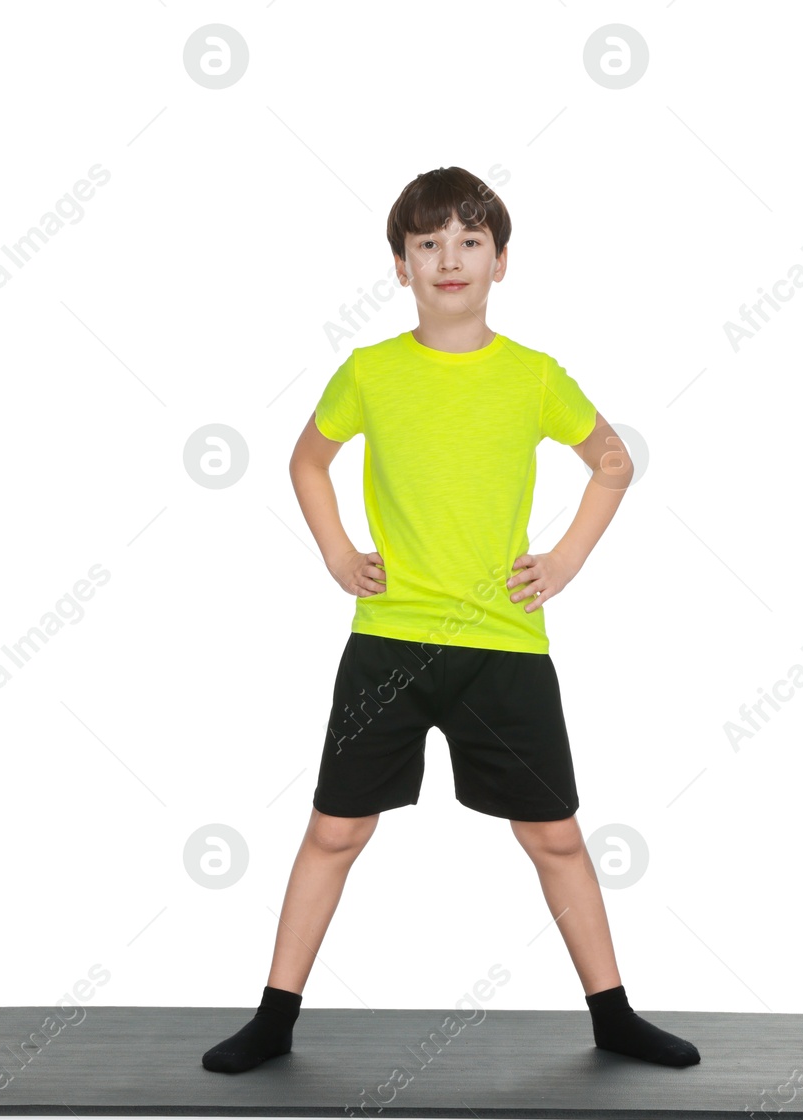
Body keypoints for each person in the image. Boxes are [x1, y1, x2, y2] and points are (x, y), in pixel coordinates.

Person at [202, 166, 700, 1074]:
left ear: (501, 261)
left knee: (554, 836)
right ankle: (273, 1019)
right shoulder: (371, 372)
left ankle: (614, 1016)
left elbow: (614, 463)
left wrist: (563, 562)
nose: (450, 258)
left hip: (502, 647)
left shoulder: (534, 377)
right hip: (388, 640)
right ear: (401, 267)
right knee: (335, 830)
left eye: (470, 241)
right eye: (428, 244)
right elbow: (306, 463)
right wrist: (336, 553)